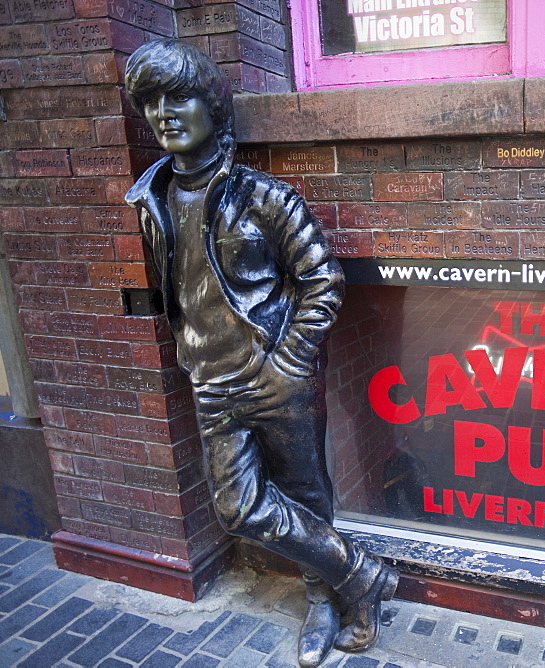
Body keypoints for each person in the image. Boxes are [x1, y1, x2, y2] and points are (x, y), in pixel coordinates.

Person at [123, 39, 397, 667]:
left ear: (213, 108)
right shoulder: (152, 201)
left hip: (276, 374)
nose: (165, 113)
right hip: (209, 379)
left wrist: (290, 360)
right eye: (153, 103)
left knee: (306, 492)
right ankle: (361, 576)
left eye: (180, 97)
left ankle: (326, 602)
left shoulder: (265, 197)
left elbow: (322, 280)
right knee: (236, 507)